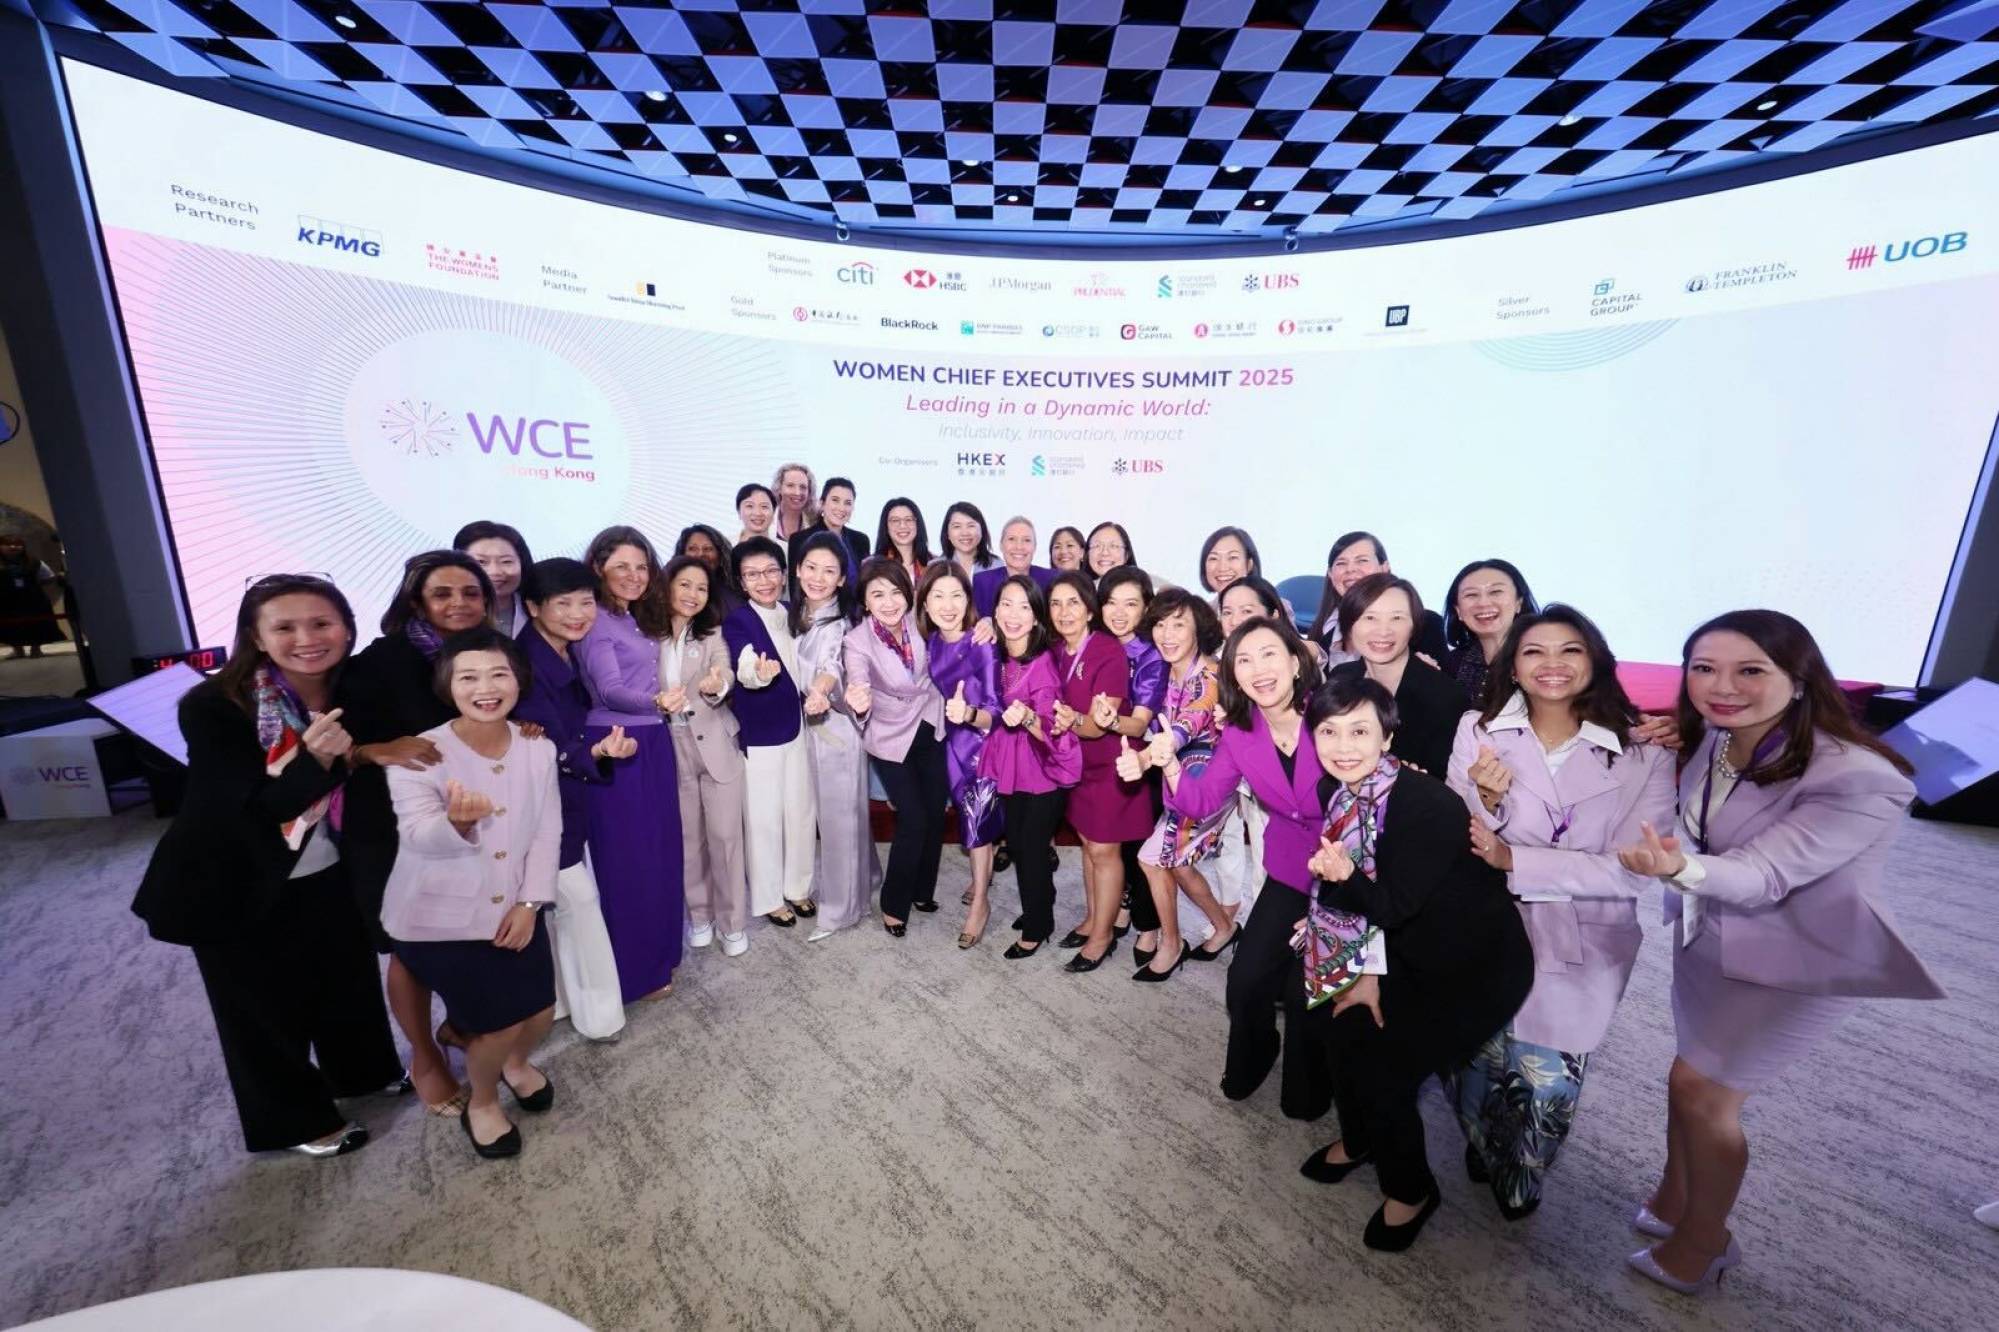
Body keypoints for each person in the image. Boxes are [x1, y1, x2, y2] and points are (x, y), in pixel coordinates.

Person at [1614, 609, 1944, 1292]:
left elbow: (1764, 874)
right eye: (1702, 668)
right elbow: (1704, 817)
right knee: (1686, 1074)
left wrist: (1676, 869)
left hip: (1799, 956)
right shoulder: (1719, 736)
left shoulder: (1858, 775)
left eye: (1748, 671)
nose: (1720, 686)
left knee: (1703, 1094)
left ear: (1797, 679)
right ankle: (1675, 1199)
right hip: (1712, 942)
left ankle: (1705, 1243)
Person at [132, 575, 403, 1157]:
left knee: (344, 979)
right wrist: (321, 760)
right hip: (230, 879)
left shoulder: (352, 691)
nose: (307, 638)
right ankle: (295, 1120)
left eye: (322, 623)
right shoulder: (215, 707)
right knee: (261, 1010)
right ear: (255, 636)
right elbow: (254, 807)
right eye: (284, 627)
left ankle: (360, 1072)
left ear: (348, 630)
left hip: (326, 867)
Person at [1442, 606, 1673, 1219]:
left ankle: (1519, 1177)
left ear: (1594, 660)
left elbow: (1631, 869)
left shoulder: (1642, 753)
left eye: (1568, 650)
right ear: (1512, 666)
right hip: (1486, 922)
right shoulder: (1478, 729)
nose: (1551, 665)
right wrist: (1486, 800)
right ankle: (1482, 1140)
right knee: (1476, 1060)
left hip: (1583, 932)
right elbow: (1456, 833)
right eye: (1534, 652)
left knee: (1547, 1084)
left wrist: (1515, 858)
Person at [1297, 675, 1534, 1253]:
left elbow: (1390, 902)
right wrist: (1364, 970)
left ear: (1388, 734)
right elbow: (1372, 899)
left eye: (1360, 730)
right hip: (1399, 944)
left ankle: (1412, 1188)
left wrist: (1344, 883)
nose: (1344, 745)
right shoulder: (1345, 788)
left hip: (1469, 968)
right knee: (1337, 1031)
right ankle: (1359, 1142)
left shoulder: (1426, 804)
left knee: (1383, 1073)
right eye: (1329, 731)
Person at [380, 627, 560, 1159]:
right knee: (498, 1024)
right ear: (447, 685)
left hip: (515, 906)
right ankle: (482, 1100)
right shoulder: (420, 753)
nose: (486, 687)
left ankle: (514, 1064)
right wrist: (456, 827)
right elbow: (416, 835)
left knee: (540, 1013)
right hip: (442, 916)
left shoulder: (538, 746)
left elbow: (547, 829)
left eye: (499, 673)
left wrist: (531, 904)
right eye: (469, 677)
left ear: (518, 680)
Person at [1152, 615, 1330, 1117]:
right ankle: (1257, 1054)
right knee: (1245, 978)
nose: (1258, 669)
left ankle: (1312, 1087)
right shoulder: (1240, 735)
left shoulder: (1331, 714)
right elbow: (1201, 801)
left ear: (1296, 663)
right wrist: (1169, 763)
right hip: (1292, 870)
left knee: (1305, 993)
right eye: (1244, 660)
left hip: (1351, 878)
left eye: (1269, 654)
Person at [338, 549, 493, 1116]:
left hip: (468, 816)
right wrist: (376, 749)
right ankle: (424, 1056)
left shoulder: (487, 654)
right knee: (410, 946)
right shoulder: (381, 661)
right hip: (391, 824)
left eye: (470, 593)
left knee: (468, 930)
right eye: (443, 594)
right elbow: (332, 744)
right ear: (416, 601)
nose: (458, 603)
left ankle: (459, 1026)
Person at [511, 558, 631, 1040]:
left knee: (562, 903)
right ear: (534, 606)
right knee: (578, 901)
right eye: (564, 604)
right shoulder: (524, 664)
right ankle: (600, 1017)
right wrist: (595, 752)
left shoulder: (564, 651)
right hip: (542, 806)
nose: (579, 613)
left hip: (569, 795)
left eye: (586, 602)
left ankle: (562, 1001)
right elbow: (551, 745)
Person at [573, 526, 685, 1002]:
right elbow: (608, 690)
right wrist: (657, 703)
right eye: (621, 566)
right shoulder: (596, 619)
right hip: (620, 743)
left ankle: (659, 954)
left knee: (659, 851)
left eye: (641, 566)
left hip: (652, 740)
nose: (634, 576)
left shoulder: (633, 617)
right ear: (598, 567)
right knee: (631, 861)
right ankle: (634, 970)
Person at [1118, 588, 1235, 982]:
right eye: (1161, 624)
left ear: (1199, 629)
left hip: (1207, 789)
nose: (1167, 634)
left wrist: (1146, 758)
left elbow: (1183, 729)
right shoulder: (1170, 671)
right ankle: (1224, 927)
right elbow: (1157, 725)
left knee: (1152, 858)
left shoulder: (1210, 675)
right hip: (1178, 781)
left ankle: (1171, 942)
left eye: (1178, 624)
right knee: (1180, 867)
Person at [1047, 572, 1152, 973]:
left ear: (1089, 608)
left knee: (1105, 852)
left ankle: (1103, 937)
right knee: (1089, 847)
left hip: (1112, 764)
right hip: (1078, 766)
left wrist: (1069, 719)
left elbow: (1094, 724)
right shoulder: (1058, 650)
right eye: (1056, 603)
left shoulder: (1107, 650)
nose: (1064, 612)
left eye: (1073, 602)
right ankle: (1095, 919)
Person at [844, 558, 950, 936]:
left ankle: (924, 889)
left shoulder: (922, 617)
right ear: (865, 601)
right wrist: (858, 699)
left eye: (894, 592)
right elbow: (857, 679)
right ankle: (893, 903)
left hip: (930, 721)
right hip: (889, 735)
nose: (888, 602)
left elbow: (958, 625)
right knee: (914, 817)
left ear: (907, 593)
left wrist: (984, 624)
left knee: (936, 811)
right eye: (877, 594)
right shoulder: (856, 641)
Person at [982, 575, 1081, 958]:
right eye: (1006, 603)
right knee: (1021, 846)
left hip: (1042, 769)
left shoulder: (1041, 665)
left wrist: (1025, 718)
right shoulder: (996, 654)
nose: (1013, 614)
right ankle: (1042, 906)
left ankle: (1037, 926)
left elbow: (1053, 729)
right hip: (1010, 765)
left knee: (1030, 848)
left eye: (1024, 606)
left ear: (1038, 618)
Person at [657, 554, 750, 954]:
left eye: (701, 587)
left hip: (715, 743)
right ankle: (700, 915)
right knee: (688, 839)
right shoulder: (647, 636)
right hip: (669, 748)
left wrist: (717, 686)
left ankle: (733, 923)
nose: (693, 594)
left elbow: (723, 671)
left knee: (726, 838)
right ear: (667, 586)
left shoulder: (711, 634)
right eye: (685, 585)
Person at [724, 536, 818, 927]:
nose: (763, 580)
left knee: (800, 811)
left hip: (800, 727)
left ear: (783, 574)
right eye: (752, 575)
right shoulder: (738, 619)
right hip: (761, 733)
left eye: (770, 571)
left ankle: (798, 886)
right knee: (763, 818)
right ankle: (767, 897)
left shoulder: (791, 612)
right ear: (741, 582)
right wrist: (757, 675)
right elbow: (745, 664)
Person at [791, 534, 878, 941]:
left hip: (835, 731)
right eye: (811, 567)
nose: (818, 577)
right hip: (806, 730)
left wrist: (820, 690)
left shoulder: (840, 623)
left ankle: (841, 910)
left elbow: (831, 667)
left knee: (839, 820)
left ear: (843, 579)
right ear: (797, 569)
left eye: (829, 571)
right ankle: (868, 876)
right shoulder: (794, 614)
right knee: (842, 814)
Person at [920, 561, 1003, 948]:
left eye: (956, 595)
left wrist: (969, 714)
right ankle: (980, 875)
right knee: (975, 827)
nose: (947, 605)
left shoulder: (981, 644)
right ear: (925, 602)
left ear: (968, 600)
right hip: (950, 744)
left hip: (981, 747)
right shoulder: (932, 641)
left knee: (976, 825)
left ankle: (981, 905)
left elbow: (996, 709)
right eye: (938, 595)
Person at [1327, 573, 1468, 777]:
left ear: (1414, 626)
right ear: (1349, 625)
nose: (1383, 631)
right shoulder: (1340, 678)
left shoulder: (1446, 696)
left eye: (1397, 618)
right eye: (1369, 617)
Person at [1093, 566, 1165, 960]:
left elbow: (1140, 719)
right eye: (1111, 602)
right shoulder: (1098, 644)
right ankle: (1122, 905)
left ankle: (1149, 925)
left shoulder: (1151, 654)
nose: (1119, 612)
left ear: (1146, 608)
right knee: (1113, 844)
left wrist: (1110, 721)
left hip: (1145, 757)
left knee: (1140, 845)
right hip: (1102, 757)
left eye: (1131, 604)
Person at [1304, 532, 1446, 661]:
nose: (1351, 569)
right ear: (1330, 574)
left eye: (1362, 561)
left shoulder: (1426, 624)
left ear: (1384, 567)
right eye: (1341, 563)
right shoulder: (1321, 635)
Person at [1439, 558, 1537, 700]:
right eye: (1471, 595)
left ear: (1519, 603)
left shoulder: (1541, 656)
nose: (1483, 603)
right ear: (1458, 610)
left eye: (1496, 592)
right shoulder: (1451, 664)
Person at [454, 521, 535, 637]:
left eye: (506, 561)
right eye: (481, 562)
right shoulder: (448, 613)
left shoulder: (540, 612)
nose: (495, 572)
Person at [972, 515, 1058, 618]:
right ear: (1001, 545)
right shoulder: (982, 582)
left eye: (1026, 540)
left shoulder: (1052, 579)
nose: (1019, 546)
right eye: (1012, 539)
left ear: (1034, 547)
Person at [790, 475, 870, 578]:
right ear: (822, 503)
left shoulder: (861, 540)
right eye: (835, 500)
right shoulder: (800, 540)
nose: (841, 508)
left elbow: (865, 583)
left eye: (848, 503)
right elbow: (795, 586)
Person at [0, 534, 64, 657]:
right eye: (7, 544)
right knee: (10, 626)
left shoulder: (34, 562)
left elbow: (49, 577)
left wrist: (34, 584)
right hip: (6, 601)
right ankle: (18, 650)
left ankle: (36, 649)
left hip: (33, 599)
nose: (13, 547)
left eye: (17, 544)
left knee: (37, 624)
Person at [674, 524, 741, 616]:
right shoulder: (666, 589)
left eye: (708, 549)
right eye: (692, 549)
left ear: (721, 555)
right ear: (682, 554)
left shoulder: (734, 597)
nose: (700, 554)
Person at [1196, 526, 1262, 601]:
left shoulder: (1269, 609)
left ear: (1249, 564)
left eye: (1232, 557)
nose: (1222, 568)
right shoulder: (1203, 611)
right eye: (1214, 558)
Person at [875, 497, 932, 582]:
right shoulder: (873, 565)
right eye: (895, 520)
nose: (902, 525)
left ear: (918, 524)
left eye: (908, 519)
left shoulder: (934, 563)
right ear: (885, 526)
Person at [941, 500, 999, 578]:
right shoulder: (935, 567)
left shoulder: (997, 566)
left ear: (982, 530)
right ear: (947, 533)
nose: (965, 533)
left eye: (971, 525)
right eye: (957, 526)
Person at [771, 462, 818, 544]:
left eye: (803, 487)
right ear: (779, 488)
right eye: (790, 485)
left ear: (809, 491)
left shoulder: (815, 522)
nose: (797, 493)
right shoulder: (766, 518)